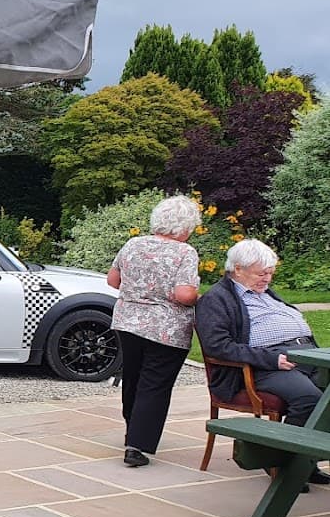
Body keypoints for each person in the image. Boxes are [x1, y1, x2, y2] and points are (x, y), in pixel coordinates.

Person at [196, 238, 330, 484]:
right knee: (310, 400)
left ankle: (305, 462)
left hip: (304, 357)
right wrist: (271, 359)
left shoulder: (265, 293)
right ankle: (284, 468)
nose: (267, 279)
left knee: (328, 400)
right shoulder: (216, 299)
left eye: (270, 273)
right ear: (238, 269)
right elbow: (218, 346)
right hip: (265, 366)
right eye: (261, 273)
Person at [105, 195, 202, 467]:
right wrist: (197, 296)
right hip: (166, 328)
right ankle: (137, 445)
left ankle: (131, 428)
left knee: (133, 378)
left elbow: (113, 281)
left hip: (128, 322)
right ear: (185, 227)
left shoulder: (133, 244)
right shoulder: (185, 253)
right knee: (155, 385)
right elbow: (183, 294)